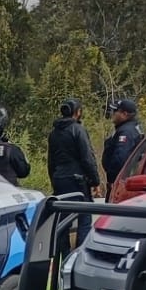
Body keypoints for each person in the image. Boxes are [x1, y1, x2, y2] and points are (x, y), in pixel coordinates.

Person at [48, 98, 102, 244]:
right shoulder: (78, 130)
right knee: (84, 218)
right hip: (77, 181)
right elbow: (87, 158)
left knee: (63, 222)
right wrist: (95, 181)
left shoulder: (54, 133)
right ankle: (79, 256)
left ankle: (61, 259)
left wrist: (54, 181)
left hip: (60, 180)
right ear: (77, 112)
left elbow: (51, 162)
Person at [103, 97, 144, 188]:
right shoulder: (130, 128)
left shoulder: (126, 132)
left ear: (124, 114)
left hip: (121, 182)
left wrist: (113, 179)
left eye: (115, 111)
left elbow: (120, 158)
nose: (112, 114)